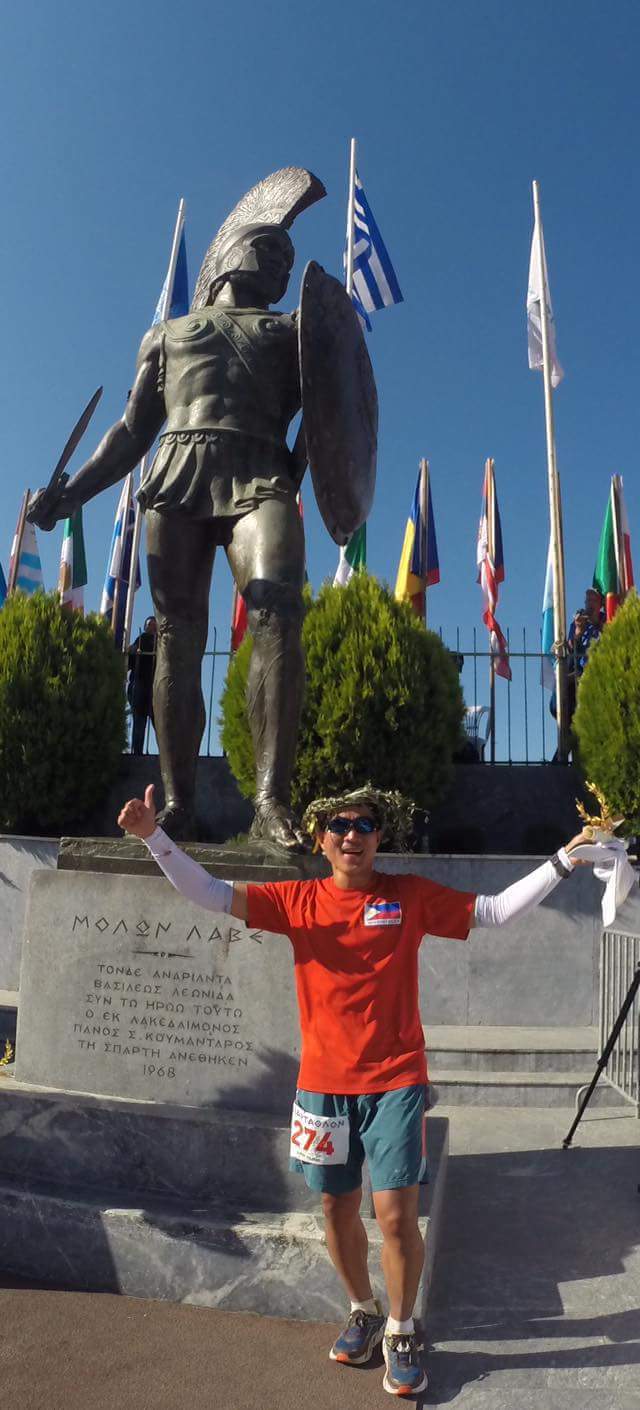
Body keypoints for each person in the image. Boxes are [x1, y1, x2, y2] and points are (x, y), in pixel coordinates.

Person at [117, 782, 590, 1397]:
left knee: (395, 1216)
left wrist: (563, 861)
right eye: (339, 826)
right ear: (320, 840)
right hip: (322, 1087)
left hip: (396, 1080)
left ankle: (401, 1328)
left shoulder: (408, 896)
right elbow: (209, 892)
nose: (351, 835)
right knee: (336, 1209)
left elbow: (495, 910)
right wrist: (153, 837)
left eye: (364, 825)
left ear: (378, 837)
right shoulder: (297, 900)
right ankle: (363, 1309)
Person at [127, 616, 158, 756]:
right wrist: (132, 651)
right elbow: (130, 663)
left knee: (159, 722)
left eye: (154, 625)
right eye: (150, 624)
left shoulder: (161, 643)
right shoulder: (140, 640)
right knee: (139, 721)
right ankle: (137, 753)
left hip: (155, 687)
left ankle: (167, 754)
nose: (152, 627)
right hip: (140, 684)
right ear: (145, 627)